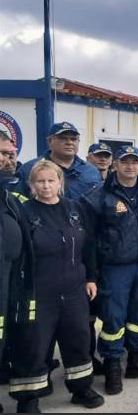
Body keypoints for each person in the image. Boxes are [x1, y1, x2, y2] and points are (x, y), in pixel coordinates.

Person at [8, 160, 104, 412]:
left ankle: (81, 389)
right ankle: (28, 399)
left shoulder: (74, 209)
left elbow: (88, 246)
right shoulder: (24, 212)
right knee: (33, 345)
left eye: (51, 180)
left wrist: (91, 278)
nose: (46, 186)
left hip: (74, 289)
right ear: (31, 185)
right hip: (38, 291)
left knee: (78, 340)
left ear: (60, 182)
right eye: (40, 181)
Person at [81, 146, 138, 396]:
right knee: (113, 318)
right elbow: (89, 239)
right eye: (124, 161)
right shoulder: (98, 195)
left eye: (134, 161)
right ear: (115, 164)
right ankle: (113, 365)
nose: (129, 166)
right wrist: (91, 274)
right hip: (115, 266)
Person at [0, 132, 36, 413]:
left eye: (10, 153)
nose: (9, 158)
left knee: (18, 337)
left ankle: (26, 399)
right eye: (2, 153)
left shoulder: (8, 195)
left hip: (14, 279)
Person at [16, 122, 101, 200]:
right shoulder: (30, 169)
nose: (69, 142)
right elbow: (16, 202)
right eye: (63, 138)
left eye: (73, 139)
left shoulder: (91, 171)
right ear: (50, 141)